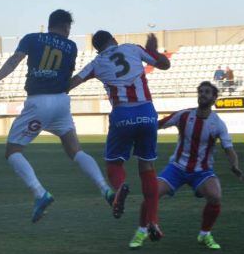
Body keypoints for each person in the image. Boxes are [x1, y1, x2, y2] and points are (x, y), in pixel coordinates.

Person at [0, 9, 114, 222]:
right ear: (66, 26)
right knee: (75, 150)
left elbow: (14, 61)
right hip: (61, 102)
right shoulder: (71, 46)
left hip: (39, 102)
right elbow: (66, 75)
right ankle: (105, 188)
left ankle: (40, 193)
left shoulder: (32, 38)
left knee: (13, 151)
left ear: (49, 24)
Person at [69, 30, 171, 239]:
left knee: (114, 164)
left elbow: (71, 84)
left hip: (122, 113)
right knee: (147, 166)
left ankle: (120, 187)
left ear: (97, 48)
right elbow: (164, 64)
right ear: (114, 39)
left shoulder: (96, 63)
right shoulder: (132, 48)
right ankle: (153, 221)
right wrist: (152, 50)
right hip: (147, 113)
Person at [132, 81, 243, 250]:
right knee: (151, 194)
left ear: (214, 98)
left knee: (215, 196)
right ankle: (141, 231)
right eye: (201, 92)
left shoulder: (218, 124)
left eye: (207, 92)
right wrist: (140, 129)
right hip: (176, 168)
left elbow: (229, 149)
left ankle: (204, 234)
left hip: (202, 171)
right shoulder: (184, 115)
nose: (203, 95)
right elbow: (158, 124)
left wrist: (234, 165)